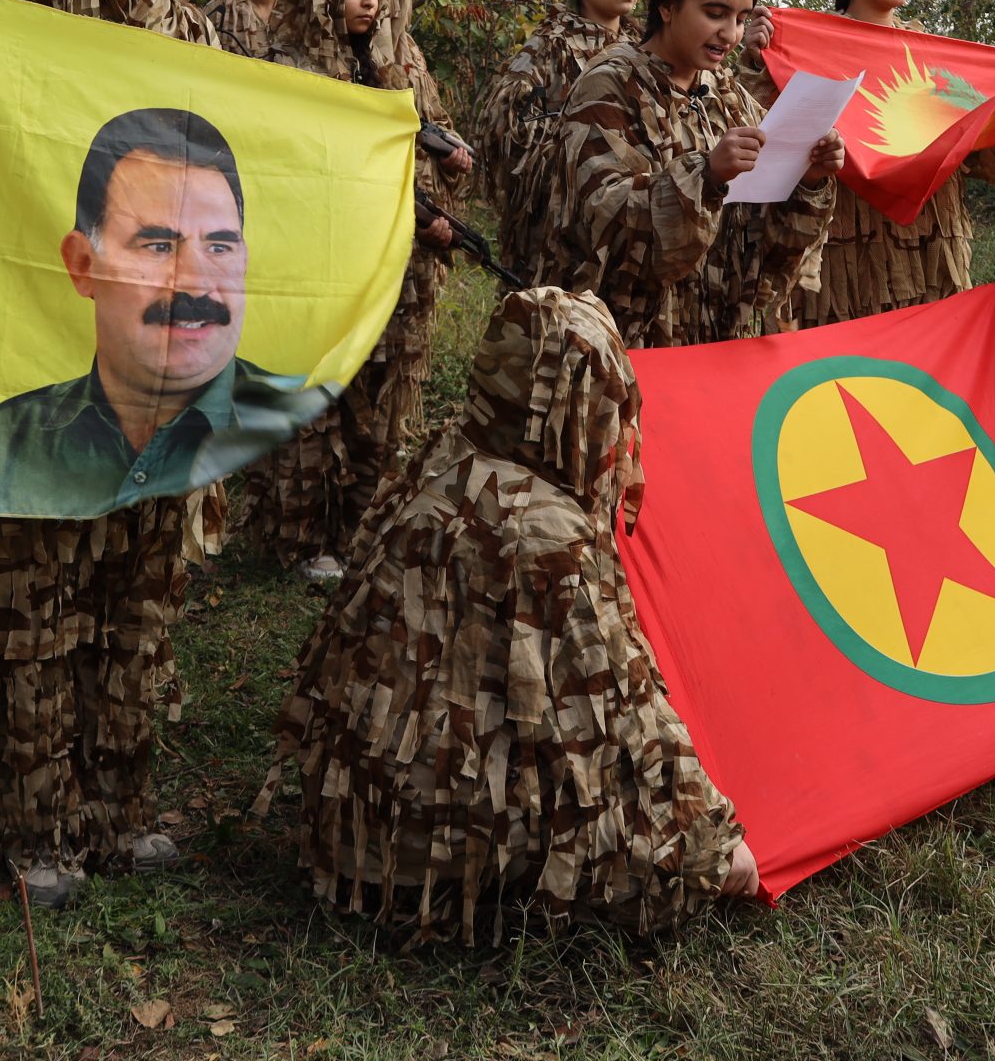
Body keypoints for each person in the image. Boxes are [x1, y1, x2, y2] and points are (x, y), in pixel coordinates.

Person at [0, 0, 224, 908]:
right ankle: (29, 826)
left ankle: (118, 807)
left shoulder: (193, 35)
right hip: (26, 354)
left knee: (138, 593)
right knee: (28, 601)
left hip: (148, 363)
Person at [274, 285, 758, 940]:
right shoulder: (545, 533)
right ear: (567, 409)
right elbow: (619, 723)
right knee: (662, 865)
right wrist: (714, 846)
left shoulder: (442, 457)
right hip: (435, 857)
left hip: (357, 820)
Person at [0, 107, 333, 517]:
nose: (196, 285)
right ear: (83, 264)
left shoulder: (305, 426)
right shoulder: (1, 446)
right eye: (159, 246)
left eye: (219, 247)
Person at [238, 0, 467, 582]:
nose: (369, 3)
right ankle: (301, 539)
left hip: (398, 265)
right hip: (319, 265)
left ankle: (361, 533)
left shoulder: (405, 63)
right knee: (315, 400)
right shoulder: (289, 63)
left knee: (381, 398)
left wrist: (449, 166)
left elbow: (431, 132)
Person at [746, 0, 995, 326]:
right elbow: (758, 129)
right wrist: (754, 55)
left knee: (929, 347)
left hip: (929, 236)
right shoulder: (804, 45)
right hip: (843, 236)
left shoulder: (935, 56)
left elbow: (973, 142)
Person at [558, 0, 841, 347]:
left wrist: (808, 178)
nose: (730, 33)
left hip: (720, 342)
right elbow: (603, 228)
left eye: (741, 19)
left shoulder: (727, 94)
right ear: (668, 7)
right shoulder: (610, 85)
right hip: (633, 346)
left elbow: (770, 248)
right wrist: (706, 175)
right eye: (715, 13)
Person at [477, 0, 643, 286]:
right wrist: (581, 155)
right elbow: (504, 133)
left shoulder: (645, 47)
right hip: (557, 243)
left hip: (628, 235)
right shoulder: (550, 47)